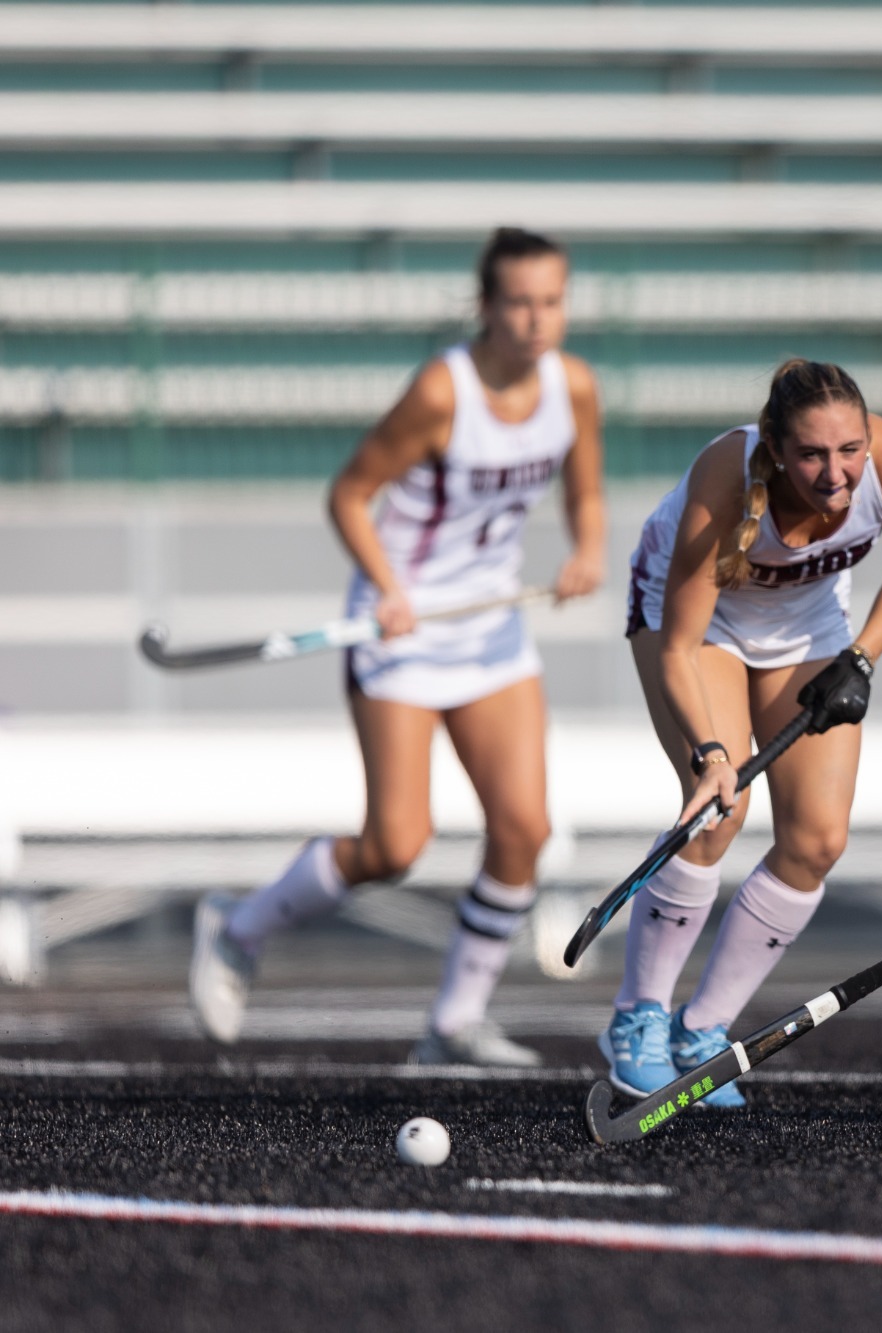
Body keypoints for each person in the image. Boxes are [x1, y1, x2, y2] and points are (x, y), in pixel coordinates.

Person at [188, 227, 605, 1067]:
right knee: (394, 844)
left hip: (490, 632)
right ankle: (238, 928)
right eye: (518, 302)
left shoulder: (574, 386)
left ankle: (455, 1020)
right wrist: (387, 585)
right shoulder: (441, 391)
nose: (535, 320)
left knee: (524, 829)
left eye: (550, 302)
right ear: (486, 306)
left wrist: (585, 553)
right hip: (403, 634)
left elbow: (585, 495)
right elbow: (349, 494)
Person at [606, 358, 882, 1105]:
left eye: (850, 449)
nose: (836, 471)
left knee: (817, 839)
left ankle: (703, 1032)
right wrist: (711, 755)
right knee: (719, 814)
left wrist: (861, 657)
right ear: (778, 449)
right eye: (814, 454)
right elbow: (681, 647)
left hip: (811, 627)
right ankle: (637, 1019)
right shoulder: (724, 481)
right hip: (695, 626)